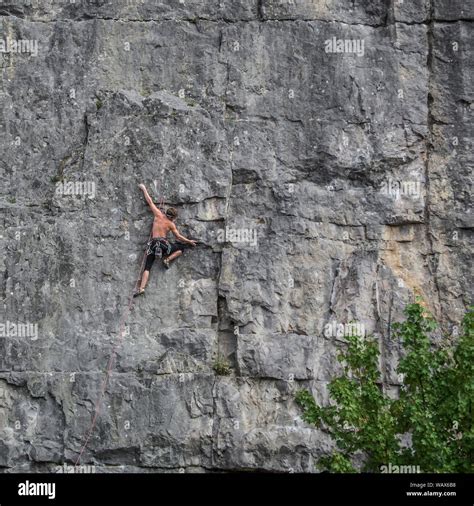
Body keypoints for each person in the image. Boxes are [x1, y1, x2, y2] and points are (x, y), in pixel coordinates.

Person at [134, 184, 196, 297]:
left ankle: (141, 288)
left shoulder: (157, 214)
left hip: (152, 245)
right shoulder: (171, 224)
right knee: (181, 247)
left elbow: (150, 201)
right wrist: (189, 241)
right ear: (173, 217)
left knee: (147, 267)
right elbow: (178, 237)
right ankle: (167, 259)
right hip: (163, 245)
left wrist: (143, 188)